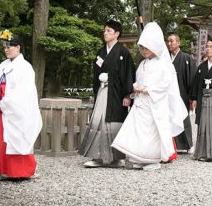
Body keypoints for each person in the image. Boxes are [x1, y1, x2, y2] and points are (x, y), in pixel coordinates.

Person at [111, 22, 187, 170]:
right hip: (141, 103)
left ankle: (154, 159)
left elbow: (166, 84)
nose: (144, 50)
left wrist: (148, 89)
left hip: (155, 103)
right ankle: (139, 157)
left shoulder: (164, 64)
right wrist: (135, 88)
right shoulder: (143, 64)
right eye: (142, 47)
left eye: (147, 47)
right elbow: (138, 80)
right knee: (138, 130)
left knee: (153, 132)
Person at [0, 30, 42, 184]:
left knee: (16, 138)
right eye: (5, 47)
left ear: (19, 48)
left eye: (10, 46)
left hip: (12, 110)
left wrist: (6, 104)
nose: (7, 49)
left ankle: (24, 171)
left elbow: (23, 91)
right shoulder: (2, 66)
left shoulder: (25, 67)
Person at [79, 20, 135, 168]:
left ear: (117, 34)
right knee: (98, 121)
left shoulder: (123, 53)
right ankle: (97, 157)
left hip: (116, 94)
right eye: (105, 30)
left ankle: (116, 158)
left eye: (108, 31)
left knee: (114, 123)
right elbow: (95, 73)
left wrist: (127, 95)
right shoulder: (101, 52)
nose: (105, 33)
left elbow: (129, 74)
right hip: (102, 91)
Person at [167, 33, 197, 153]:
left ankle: (188, 145)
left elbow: (193, 78)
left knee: (183, 118)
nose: (169, 43)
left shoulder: (187, 58)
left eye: (172, 41)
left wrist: (192, 97)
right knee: (168, 119)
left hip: (182, 94)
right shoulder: (164, 59)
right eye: (168, 41)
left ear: (178, 43)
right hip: (167, 95)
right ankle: (171, 145)